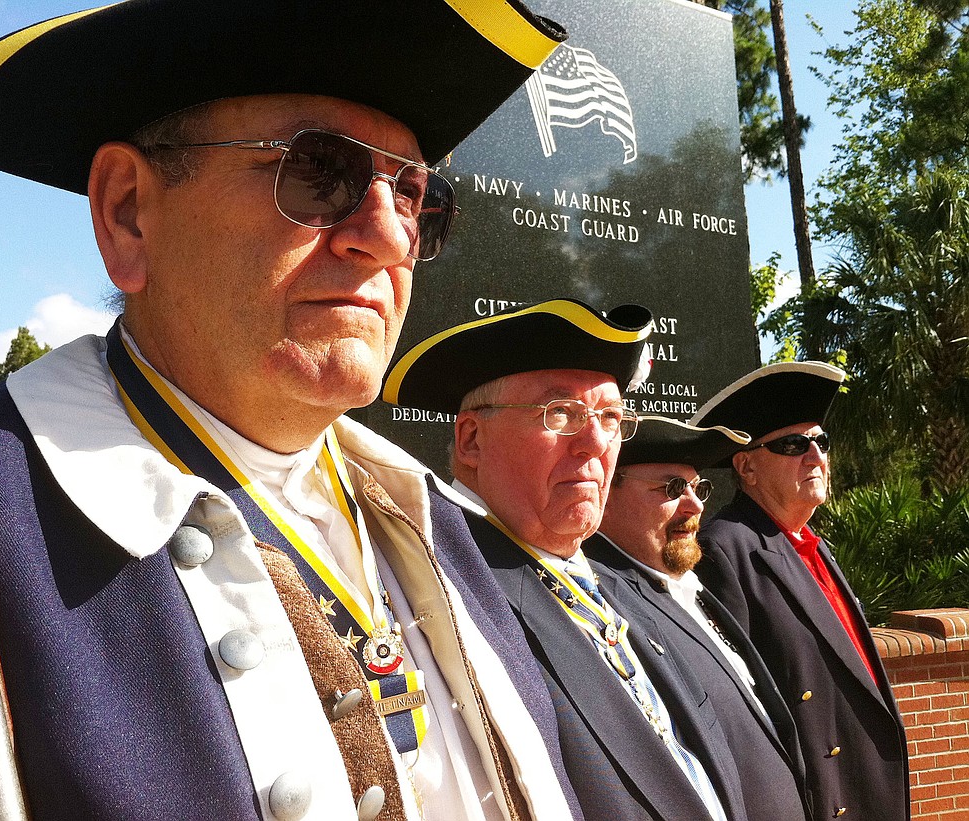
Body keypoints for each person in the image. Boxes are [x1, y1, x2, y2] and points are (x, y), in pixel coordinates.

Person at [0, 2, 583, 819]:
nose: (386, 237)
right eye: (321, 172)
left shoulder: (448, 527)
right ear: (128, 212)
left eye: (416, 196)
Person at [382, 299, 750, 821]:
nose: (595, 443)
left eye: (610, 418)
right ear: (471, 439)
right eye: (561, 413)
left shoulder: (625, 588)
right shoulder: (444, 599)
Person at [692, 362, 910, 821]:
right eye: (793, 445)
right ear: (746, 465)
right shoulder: (725, 548)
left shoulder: (813, 544)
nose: (814, 455)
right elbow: (738, 711)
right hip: (821, 800)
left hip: (869, 784)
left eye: (820, 442)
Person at [591, 415, 811, 821]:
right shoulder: (605, 605)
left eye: (699, 488)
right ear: (605, 494)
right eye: (673, 488)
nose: (695, 505)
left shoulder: (690, 586)